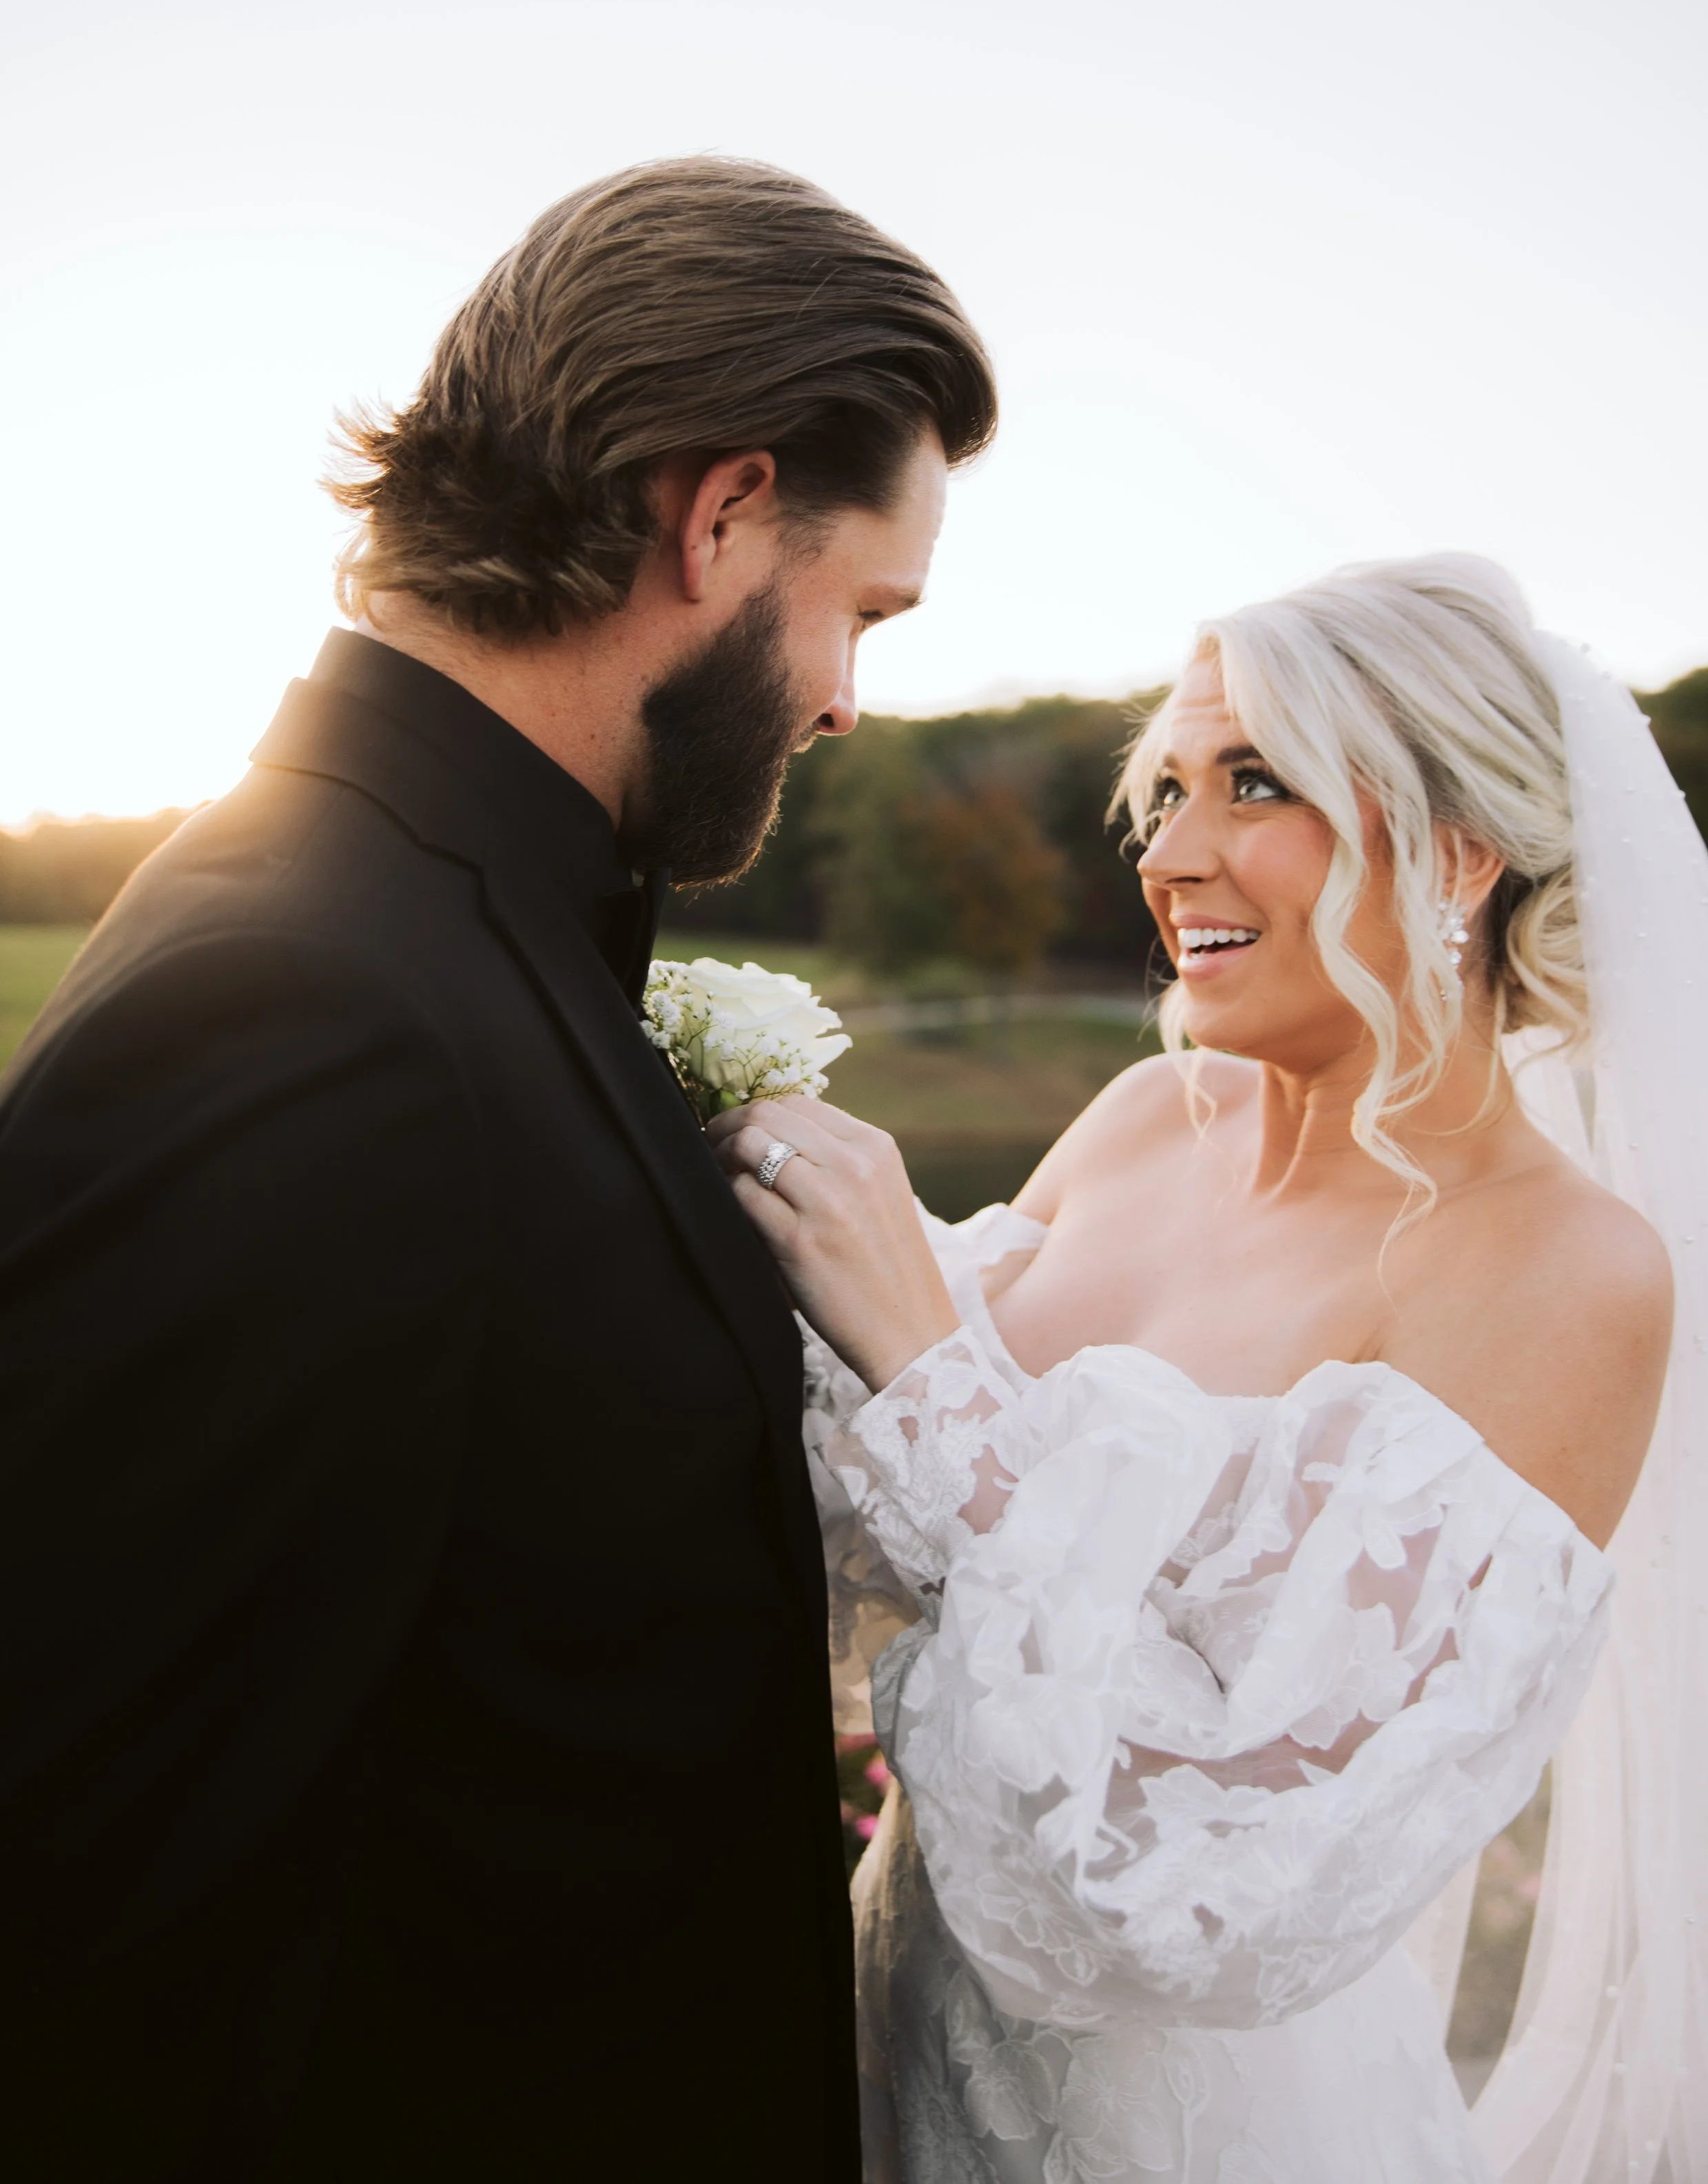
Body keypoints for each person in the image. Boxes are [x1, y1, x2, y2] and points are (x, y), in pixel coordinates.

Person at [0, 157, 995, 2181]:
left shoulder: (459, 924)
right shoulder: (308, 1003)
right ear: (718, 513)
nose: (840, 698)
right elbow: (105, 1917)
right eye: (856, 611)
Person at [715, 554, 1708, 2181]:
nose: (1170, 855)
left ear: (1456, 845)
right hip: (886, 2044)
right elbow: (869, 1532)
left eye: (1254, 785)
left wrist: (915, 1351)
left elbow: (1233, 1876)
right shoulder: (1134, 1121)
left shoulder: (1566, 1272)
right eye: (1165, 791)